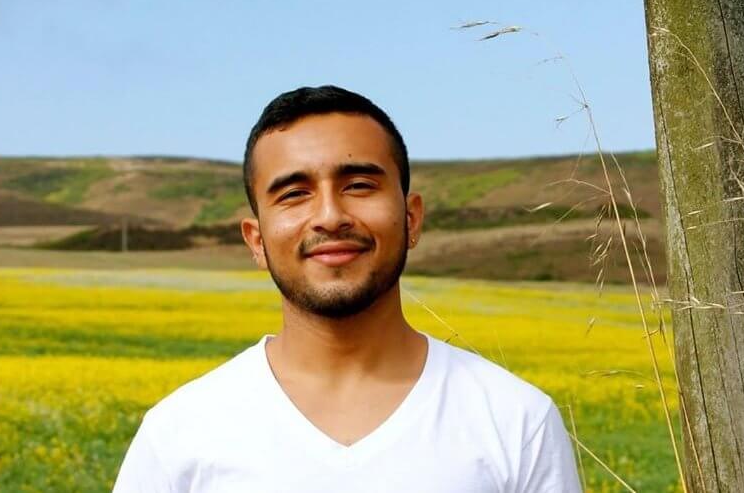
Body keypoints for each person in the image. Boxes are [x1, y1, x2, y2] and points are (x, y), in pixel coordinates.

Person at [113, 85, 582, 492]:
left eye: (359, 185)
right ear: (256, 241)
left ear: (411, 218)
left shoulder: (515, 421)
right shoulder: (179, 434)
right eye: (294, 194)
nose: (330, 216)